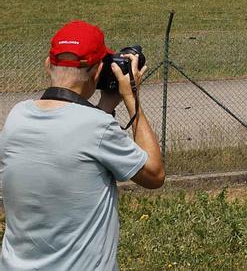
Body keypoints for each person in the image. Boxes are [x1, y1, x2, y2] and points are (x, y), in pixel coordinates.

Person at [0, 20, 166, 270]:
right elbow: (154, 174)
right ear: (98, 72)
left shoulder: (17, 117)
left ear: (48, 66)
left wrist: (107, 105)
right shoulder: (96, 127)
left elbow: (69, 136)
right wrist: (131, 96)